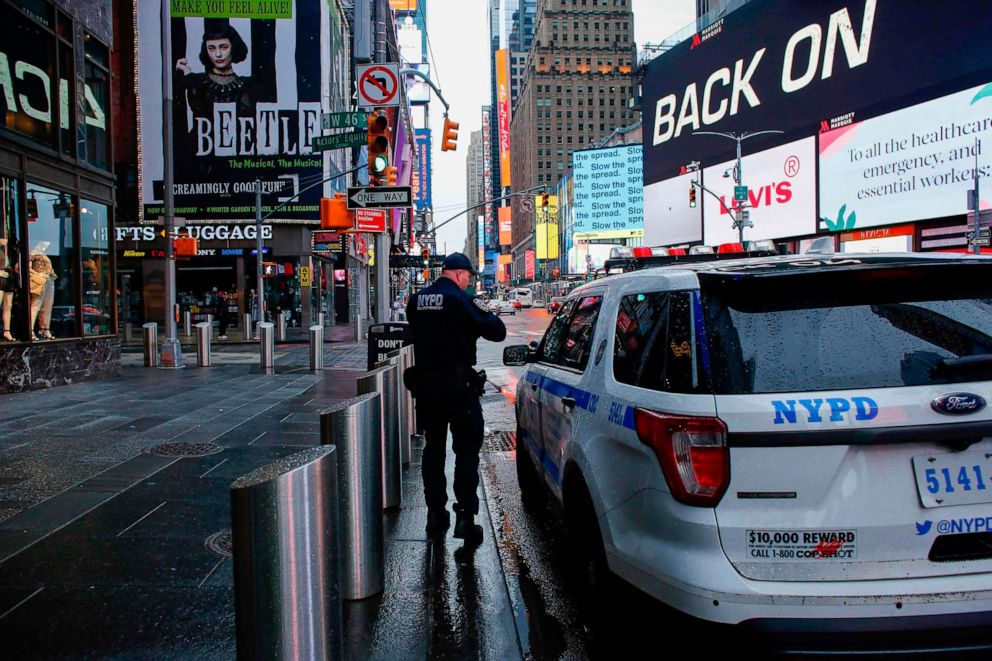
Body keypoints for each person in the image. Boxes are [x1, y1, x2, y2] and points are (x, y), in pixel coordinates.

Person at [405, 253, 506, 545]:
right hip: (458, 386)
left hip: (426, 386)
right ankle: (465, 516)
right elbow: (497, 332)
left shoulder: (417, 300)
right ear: (460, 274)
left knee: (433, 449)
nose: (469, 282)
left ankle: (435, 512)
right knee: (466, 451)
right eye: (469, 278)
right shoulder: (461, 300)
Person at [175, 20, 254, 119]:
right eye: (212, 48)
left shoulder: (246, 84)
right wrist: (186, 74)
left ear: (234, 47)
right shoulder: (197, 81)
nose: (218, 54)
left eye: (223, 47)